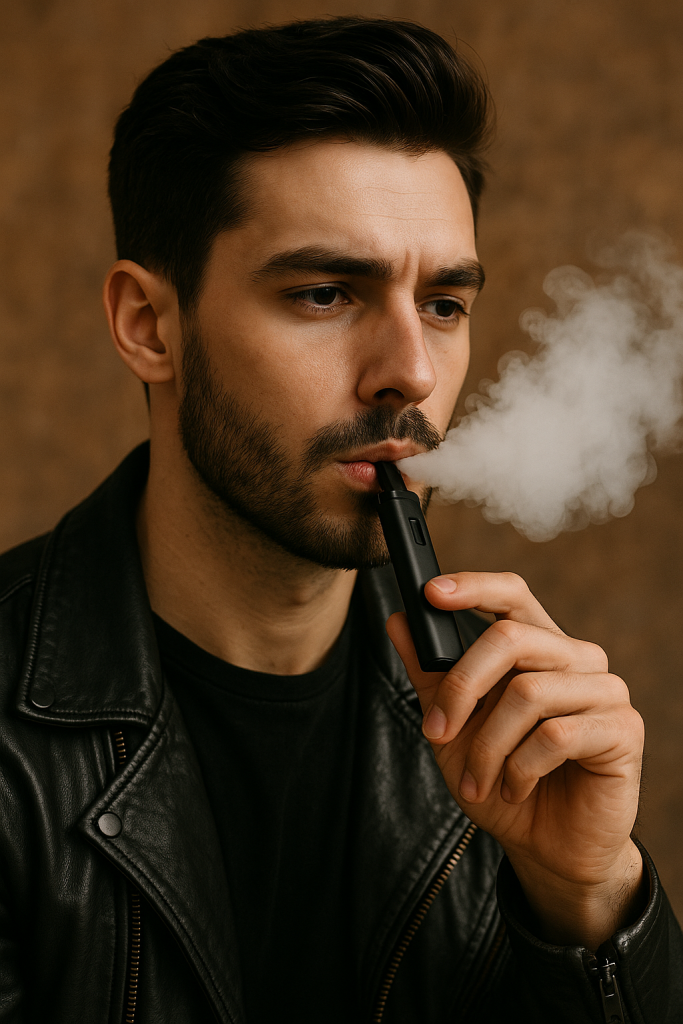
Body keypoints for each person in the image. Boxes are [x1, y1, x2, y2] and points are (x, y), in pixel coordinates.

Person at [0, 16, 681, 1024]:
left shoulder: (508, 726)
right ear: (149, 325)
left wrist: (584, 901)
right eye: (324, 292)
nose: (409, 370)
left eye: (444, 304)